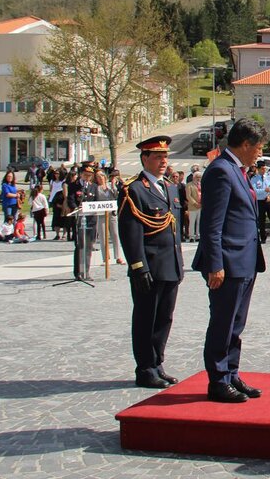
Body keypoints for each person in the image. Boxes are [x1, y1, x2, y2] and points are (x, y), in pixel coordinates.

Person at [192, 119, 268, 403]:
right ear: (245, 144)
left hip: (245, 259)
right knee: (223, 323)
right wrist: (215, 264)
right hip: (227, 262)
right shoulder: (221, 171)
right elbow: (212, 225)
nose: (260, 152)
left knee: (236, 323)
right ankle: (218, 380)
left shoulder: (238, 170)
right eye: (258, 147)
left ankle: (232, 373)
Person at [116, 136, 184, 389]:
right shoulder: (133, 189)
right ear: (145, 158)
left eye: (165, 157)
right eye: (157, 157)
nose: (163, 161)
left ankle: (157, 363)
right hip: (149, 267)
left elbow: (174, 230)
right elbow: (130, 231)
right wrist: (138, 266)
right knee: (146, 318)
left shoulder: (170, 187)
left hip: (170, 266)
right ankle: (144, 368)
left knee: (164, 318)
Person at [71, 164, 99, 281]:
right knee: (80, 246)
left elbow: (96, 202)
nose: (88, 177)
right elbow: (71, 200)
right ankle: (78, 272)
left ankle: (86, 271)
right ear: (81, 174)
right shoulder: (74, 186)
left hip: (91, 219)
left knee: (88, 246)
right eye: (86, 175)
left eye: (90, 175)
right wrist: (76, 208)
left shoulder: (94, 187)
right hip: (79, 219)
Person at [94, 170, 124, 265]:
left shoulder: (110, 186)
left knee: (115, 234)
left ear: (104, 177)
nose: (100, 178)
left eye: (101, 176)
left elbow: (116, 195)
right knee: (103, 236)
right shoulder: (96, 188)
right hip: (101, 214)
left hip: (112, 213)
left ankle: (118, 256)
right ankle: (105, 258)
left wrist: (113, 185)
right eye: (98, 177)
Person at [251, 162, 270, 243]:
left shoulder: (269, 177)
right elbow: (254, 191)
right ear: (258, 169)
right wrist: (264, 191)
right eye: (262, 169)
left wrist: (269, 195)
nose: (264, 170)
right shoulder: (254, 178)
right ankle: (263, 237)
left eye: (265, 168)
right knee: (261, 220)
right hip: (260, 201)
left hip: (269, 200)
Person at [186, 172, 202, 242]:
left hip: (201, 206)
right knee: (192, 222)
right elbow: (188, 196)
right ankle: (191, 236)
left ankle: (198, 235)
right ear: (194, 177)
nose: (198, 178)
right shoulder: (189, 185)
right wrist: (195, 203)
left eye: (199, 177)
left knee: (199, 222)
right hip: (193, 207)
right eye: (197, 177)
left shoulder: (202, 185)